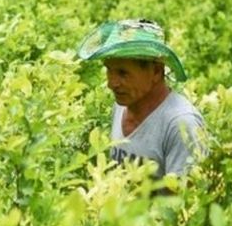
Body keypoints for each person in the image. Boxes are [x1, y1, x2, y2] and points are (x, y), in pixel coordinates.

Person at [77, 18, 205, 178]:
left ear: (156, 72)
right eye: (109, 70)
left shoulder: (181, 124)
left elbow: (186, 198)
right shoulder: (123, 103)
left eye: (123, 73)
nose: (112, 84)